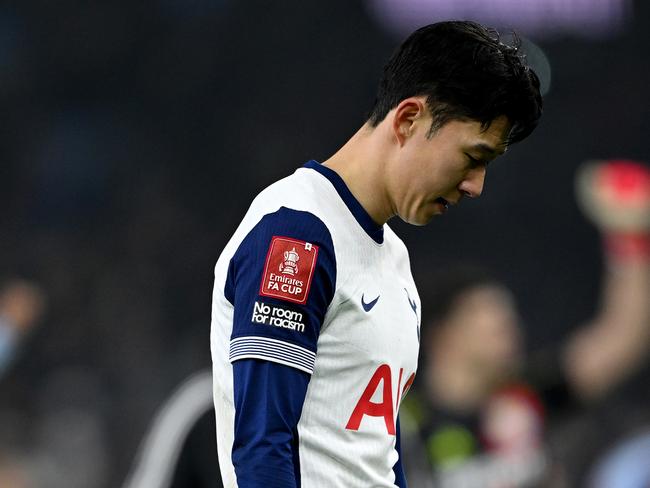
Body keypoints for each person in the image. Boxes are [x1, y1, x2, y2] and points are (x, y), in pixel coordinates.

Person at [210, 20, 543, 487]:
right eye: (473, 157)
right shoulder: (298, 236)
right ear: (408, 120)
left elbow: (379, 457)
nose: (476, 186)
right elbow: (262, 447)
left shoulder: (395, 262)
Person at [400, 159, 650, 487]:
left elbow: (622, 337)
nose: (511, 333)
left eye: (509, 322)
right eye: (493, 327)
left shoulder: (528, 396)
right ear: (445, 336)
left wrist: (628, 240)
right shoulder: (404, 427)